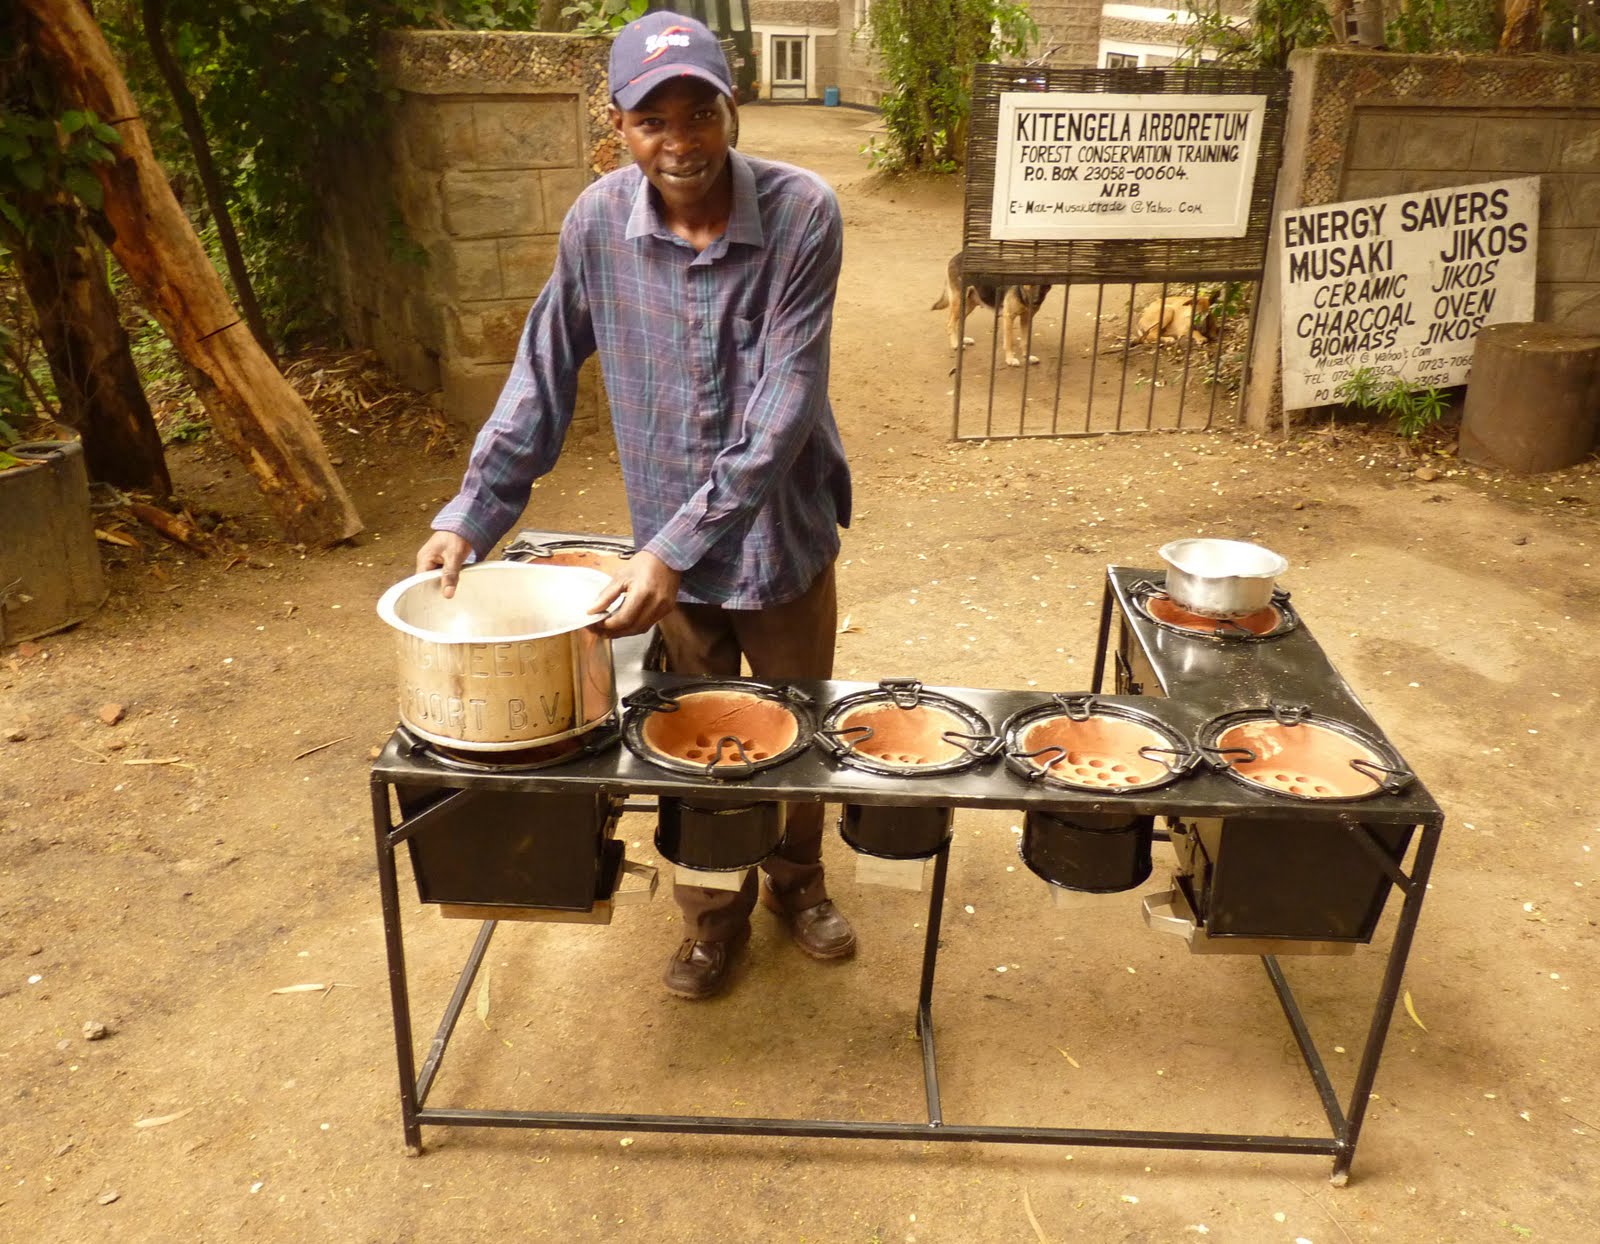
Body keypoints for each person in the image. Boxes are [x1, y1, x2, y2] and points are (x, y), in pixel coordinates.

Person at [414, 10, 855, 1001]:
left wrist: (671, 549)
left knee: (797, 723)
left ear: (730, 110)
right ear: (616, 125)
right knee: (694, 738)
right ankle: (712, 915)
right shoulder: (595, 224)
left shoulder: (803, 213)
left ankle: (798, 880)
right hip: (667, 548)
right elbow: (540, 374)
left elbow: (784, 406)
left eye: (700, 114)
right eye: (653, 121)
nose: (681, 141)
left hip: (781, 534)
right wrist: (471, 512)